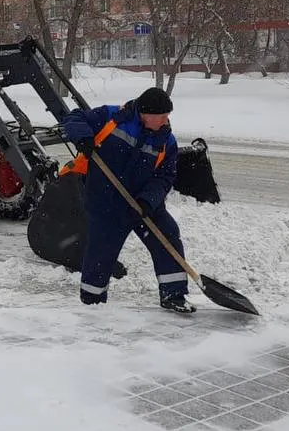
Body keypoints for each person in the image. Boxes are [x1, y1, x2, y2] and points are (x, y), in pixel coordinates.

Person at [61, 86, 194, 314]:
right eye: (161, 115)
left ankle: (174, 294)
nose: (166, 120)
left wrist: (147, 202)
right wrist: (83, 137)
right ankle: (92, 301)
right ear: (145, 114)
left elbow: (165, 177)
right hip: (106, 201)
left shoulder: (166, 142)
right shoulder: (112, 118)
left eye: (167, 115)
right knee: (101, 251)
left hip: (142, 204)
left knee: (167, 237)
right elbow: (74, 117)